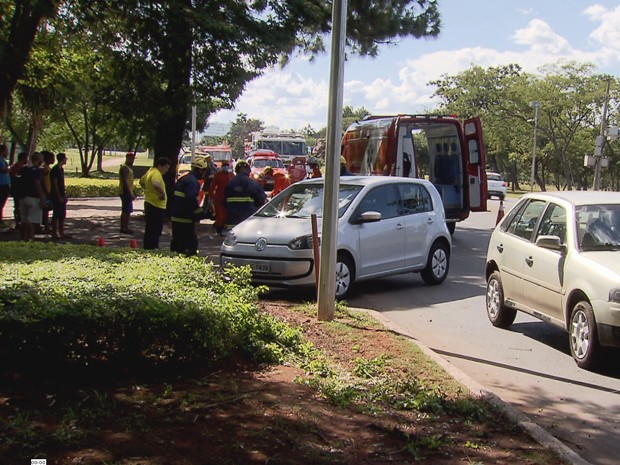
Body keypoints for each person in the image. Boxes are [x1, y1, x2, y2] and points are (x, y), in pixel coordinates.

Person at [170, 155, 207, 255]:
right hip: (185, 218)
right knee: (189, 245)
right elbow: (190, 198)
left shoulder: (184, 178)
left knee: (177, 244)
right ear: (200, 170)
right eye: (204, 171)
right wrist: (199, 212)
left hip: (176, 216)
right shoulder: (193, 182)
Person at [224, 160, 266, 228]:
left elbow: (223, 201)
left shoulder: (230, 183)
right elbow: (261, 200)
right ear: (249, 171)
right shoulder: (252, 183)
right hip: (247, 220)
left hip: (232, 220)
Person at [140, 157, 171, 249]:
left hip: (149, 202)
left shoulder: (150, 171)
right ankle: (153, 247)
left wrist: (148, 190)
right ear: (160, 166)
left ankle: (148, 246)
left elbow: (141, 181)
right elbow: (156, 184)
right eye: (166, 167)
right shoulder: (156, 174)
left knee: (149, 227)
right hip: (156, 205)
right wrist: (162, 194)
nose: (167, 170)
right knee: (156, 228)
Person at [20, 152, 46, 241]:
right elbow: (38, 184)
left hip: (23, 197)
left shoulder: (24, 169)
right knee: (32, 220)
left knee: (24, 219)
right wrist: (42, 198)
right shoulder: (37, 171)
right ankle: (31, 237)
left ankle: (23, 237)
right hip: (33, 197)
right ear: (39, 160)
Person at [208, 161, 233, 236]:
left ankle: (223, 229)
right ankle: (219, 230)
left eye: (227, 165)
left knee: (226, 215)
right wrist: (210, 196)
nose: (226, 167)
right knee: (219, 215)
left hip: (228, 198)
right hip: (219, 198)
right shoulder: (218, 175)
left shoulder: (231, 175)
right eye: (225, 166)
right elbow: (212, 187)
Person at [50, 152, 68, 239]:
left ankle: (61, 232)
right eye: (65, 158)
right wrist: (58, 196)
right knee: (56, 214)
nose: (66, 160)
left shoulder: (61, 169)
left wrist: (64, 195)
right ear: (62, 159)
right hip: (56, 195)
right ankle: (54, 233)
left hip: (62, 194)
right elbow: (55, 184)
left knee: (62, 214)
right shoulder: (55, 170)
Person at [9, 151, 28, 230]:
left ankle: (21, 221)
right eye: (26, 158)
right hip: (17, 190)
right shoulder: (16, 167)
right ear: (23, 159)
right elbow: (14, 178)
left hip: (21, 190)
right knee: (17, 206)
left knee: (20, 206)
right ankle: (18, 222)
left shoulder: (21, 167)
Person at [119, 152, 137, 234]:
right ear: (127, 158)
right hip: (125, 191)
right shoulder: (124, 168)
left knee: (128, 210)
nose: (132, 160)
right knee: (126, 210)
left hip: (128, 191)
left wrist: (133, 190)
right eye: (131, 158)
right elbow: (125, 182)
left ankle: (126, 226)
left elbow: (130, 182)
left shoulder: (129, 168)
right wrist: (130, 193)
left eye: (133, 159)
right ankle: (123, 227)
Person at [40, 150, 55, 234]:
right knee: (45, 210)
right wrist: (47, 191)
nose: (53, 159)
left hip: (49, 190)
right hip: (46, 192)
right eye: (52, 158)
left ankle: (46, 226)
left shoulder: (48, 168)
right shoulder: (44, 168)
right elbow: (42, 181)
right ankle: (45, 226)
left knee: (47, 210)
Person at [0, 144, 10, 230]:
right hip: (1, 185)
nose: (7, 152)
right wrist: (8, 168)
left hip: (5, 184)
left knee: (2, 203)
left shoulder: (3, 160)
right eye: (6, 150)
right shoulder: (0, 160)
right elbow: (4, 170)